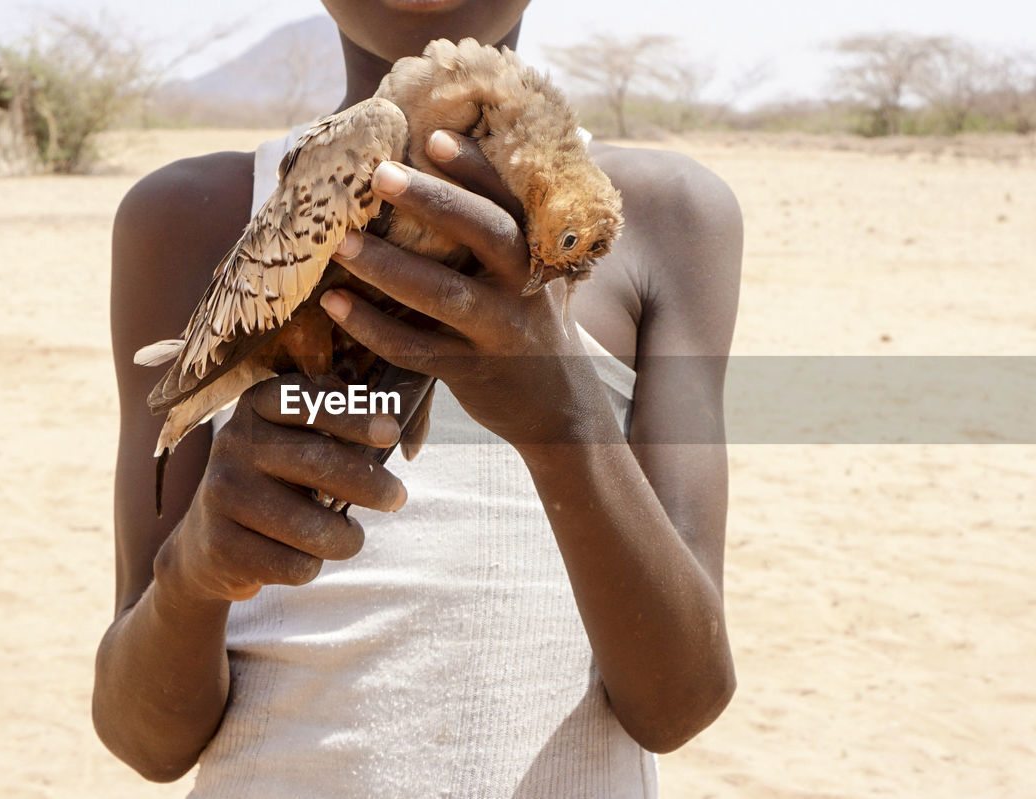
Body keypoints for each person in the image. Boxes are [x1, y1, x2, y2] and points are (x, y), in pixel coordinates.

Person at [94, 1, 741, 794]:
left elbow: (680, 701)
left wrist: (562, 420)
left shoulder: (667, 219)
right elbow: (143, 735)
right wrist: (195, 569)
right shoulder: (190, 218)